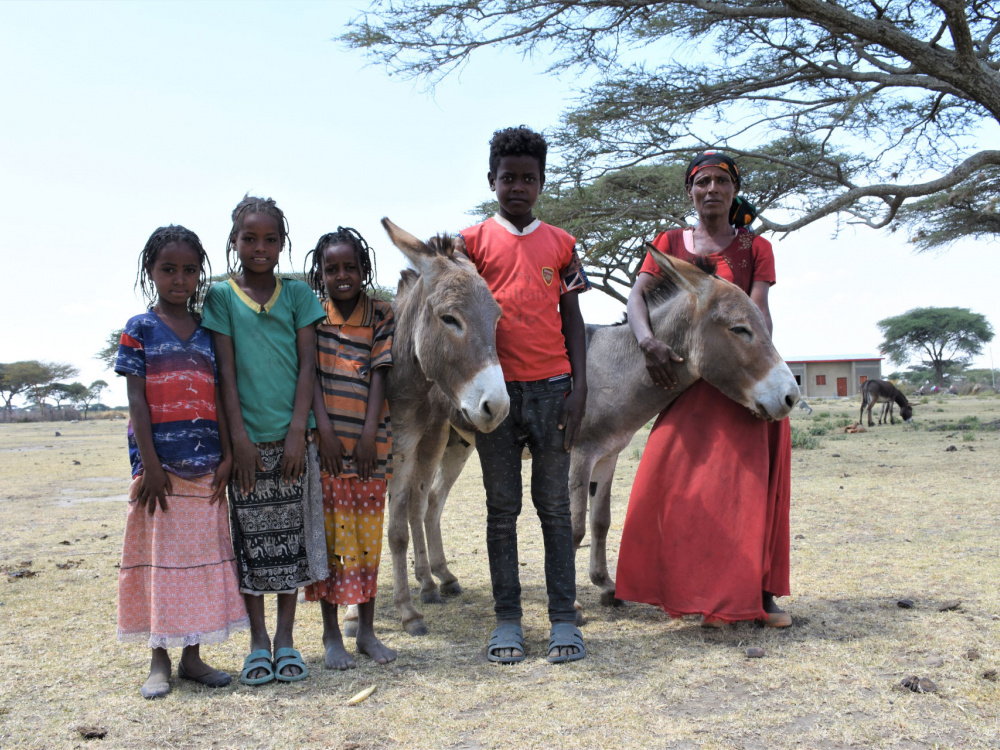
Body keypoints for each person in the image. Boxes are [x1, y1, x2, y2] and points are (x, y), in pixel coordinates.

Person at [616, 151, 793, 628]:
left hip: (741, 380)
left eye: (720, 181)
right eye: (702, 182)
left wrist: (762, 368)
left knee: (751, 493)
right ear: (690, 191)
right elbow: (637, 297)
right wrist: (646, 341)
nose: (711, 189)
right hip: (687, 381)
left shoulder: (756, 247)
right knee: (673, 486)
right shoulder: (669, 242)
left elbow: (758, 314)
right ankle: (685, 593)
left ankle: (761, 594)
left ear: (734, 190)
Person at [460, 126, 591, 663]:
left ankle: (564, 619)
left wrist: (581, 388)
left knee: (556, 508)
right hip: (497, 394)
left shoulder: (562, 244)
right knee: (501, 509)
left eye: (528, 178)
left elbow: (574, 318)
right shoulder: (470, 244)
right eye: (507, 177)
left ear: (541, 183)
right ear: (492, 180)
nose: (517, 186)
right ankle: (508, 621)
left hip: (554, 389)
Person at [115, 225, 248, 699]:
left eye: (189, 270)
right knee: (160, 565)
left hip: (206, 469)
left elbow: (220, 393)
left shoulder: (210, 331)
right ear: (150, 271)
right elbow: (137, 401)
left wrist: (230, 454)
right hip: (159, 473)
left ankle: (193, 658)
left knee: (199, 565)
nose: (179, 278)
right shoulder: (140, 329)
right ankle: (159, 659)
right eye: (168, 269)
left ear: (199, 275)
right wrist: (149, 465)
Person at [201, 195, 328, 685]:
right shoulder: (220, 297)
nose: (260, 247)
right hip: (247, 448)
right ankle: (258, 642)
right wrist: (239, 442)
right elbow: (225, 374)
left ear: (282, 243)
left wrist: (298, 432)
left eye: (270, 239)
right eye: (249, 238)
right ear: (233, 242)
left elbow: (307, 368)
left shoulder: (297, 295)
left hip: (293, 444)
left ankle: (287, 640)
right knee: (252, 545)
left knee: (290, 545)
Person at [301, 227, 397, 669]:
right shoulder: (309, 314)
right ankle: (331, 634)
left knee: (366, 544)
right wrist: (324, 430)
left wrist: (365, 436)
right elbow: (310, 377)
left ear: (364, 270)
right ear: (319, 274)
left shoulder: (381, 313)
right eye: (332, 268)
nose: (342, 275)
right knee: (331, 546)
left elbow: (380, 373)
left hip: (369, 449)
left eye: (350, 267)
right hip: (325, 450)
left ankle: (369, 632)